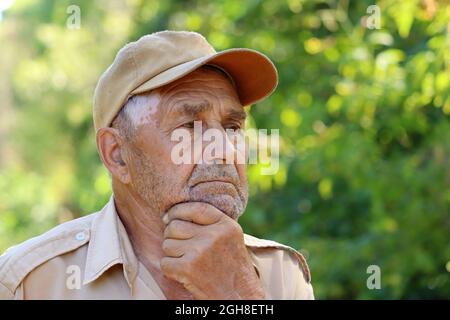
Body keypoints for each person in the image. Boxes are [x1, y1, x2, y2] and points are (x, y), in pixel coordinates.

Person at [0, 31, 313, 300]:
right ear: (117, 154)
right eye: (190, 126)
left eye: (232, 127)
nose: (224, 149)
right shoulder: (29, 283)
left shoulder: (282, 275)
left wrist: (238, 293)